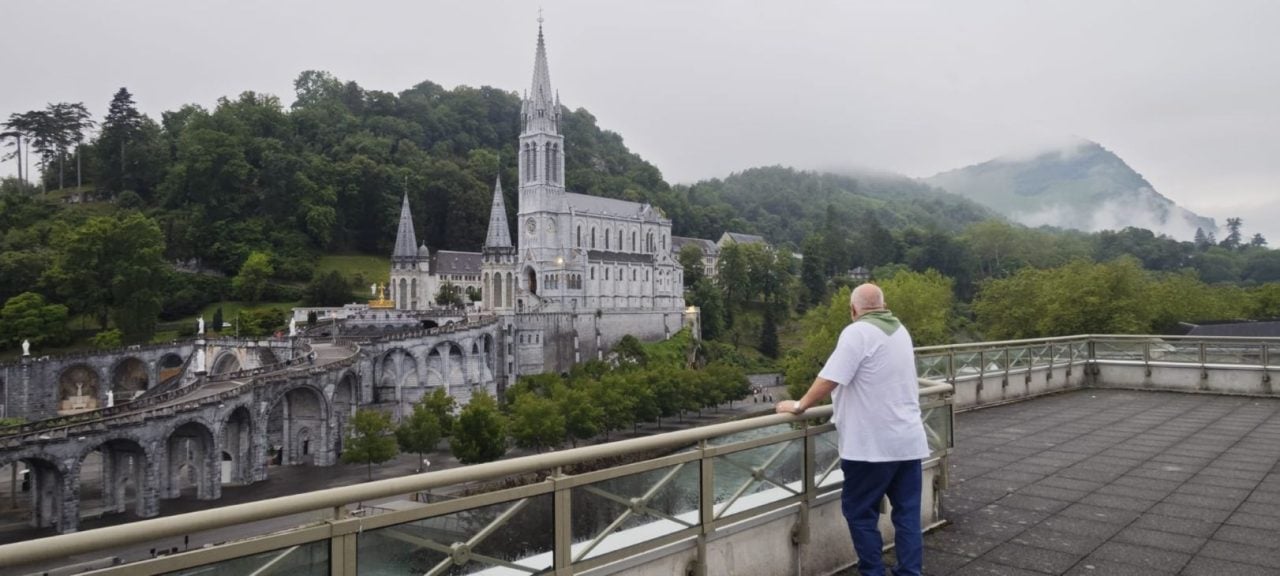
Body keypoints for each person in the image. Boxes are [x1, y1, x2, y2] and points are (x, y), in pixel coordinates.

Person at [776, 283, 929, 576]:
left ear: (853, 310)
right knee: (907, 515)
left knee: (860, 513)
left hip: (870, 446)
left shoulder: (857, 332)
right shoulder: (900, 331)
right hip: (909, 441)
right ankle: (910, 572)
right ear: (883, 306)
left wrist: (799, 405)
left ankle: (873, 572)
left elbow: (830, 377)